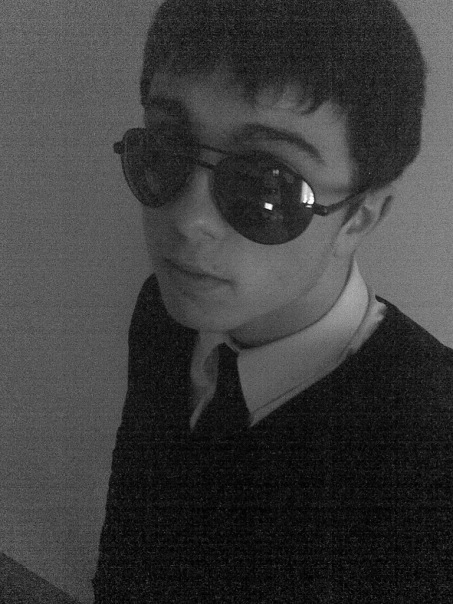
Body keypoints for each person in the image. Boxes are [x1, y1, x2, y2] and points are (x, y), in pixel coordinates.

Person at [93, 0, 453, 601]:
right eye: (165, 147)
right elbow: (132, 528)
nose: (188, 220)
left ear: (361, 216)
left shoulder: (431, 456)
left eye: (268, 184)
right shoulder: (163, 312)